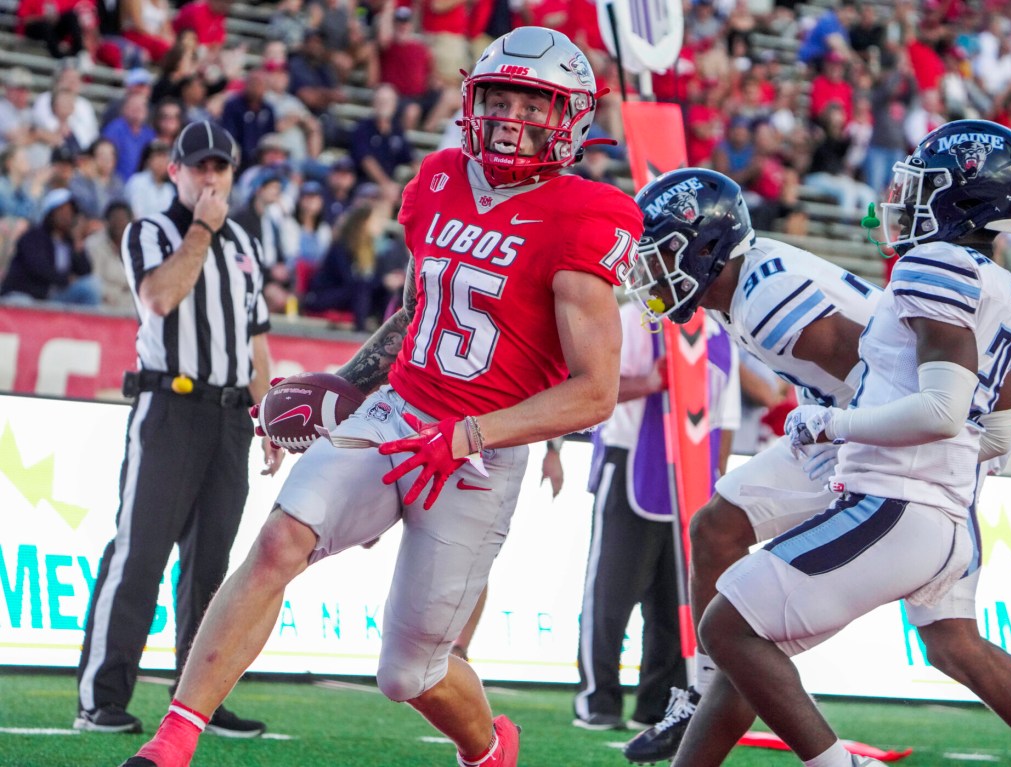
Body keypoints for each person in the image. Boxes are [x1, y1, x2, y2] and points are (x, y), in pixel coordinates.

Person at [117, 26, 642, 767]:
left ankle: (491, 748)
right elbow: (414, 313)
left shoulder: (586, 213)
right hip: (398, 410)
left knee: (409, 672)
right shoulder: (437, 178)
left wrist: (466, 436)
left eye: (535, 101)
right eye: (499, 95)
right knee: (279, 539)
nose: (511, 116)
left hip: (481, 453)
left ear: (574, 118)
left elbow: (594, 392)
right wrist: (348, 382)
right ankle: (172, 742)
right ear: (471, 97)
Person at [622, 122, 1011, 767]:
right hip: (919, 455)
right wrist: (991, 432)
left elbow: (881, 379)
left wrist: (838, 434)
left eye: (662, 254)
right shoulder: (748, 287)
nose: (651, 274)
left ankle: (723, 693)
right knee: (949, 642)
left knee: (737, 613)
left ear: (702, 247)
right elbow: (982, 371)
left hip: (894, 457)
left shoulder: (772, 293)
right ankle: (708, 690)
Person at [75, 120, 282, 737]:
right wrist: (202, 230)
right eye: (200, 167)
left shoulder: (246, 243)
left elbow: (256, 339)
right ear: (175, 172)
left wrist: (268, 415)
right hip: (170, 408)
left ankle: (201, 700)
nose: (211, 177)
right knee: (140, 552)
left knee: (212, 567)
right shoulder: (152, 230)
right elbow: (159, 298)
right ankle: (101, 697)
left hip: (228, 416)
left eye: (221, 167)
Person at [573, 303, 739, 732]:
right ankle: (598, 700)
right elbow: (594, 387)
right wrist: (653, 380)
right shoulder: (631, 318)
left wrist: (716, 480)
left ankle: (658, 705)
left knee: (674, 598)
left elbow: (725, 417)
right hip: (630, 461)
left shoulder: (722, 332)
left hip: (695, 475)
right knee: (611, 593)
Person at [0, 187, 98, 305]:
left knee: (90, 286)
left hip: (52, 296)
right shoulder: (33, 236)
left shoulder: (69, 242)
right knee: (23, 304)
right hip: (26, 294)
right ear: (50, 213)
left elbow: (85, 271)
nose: (67, 216)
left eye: (70, 212)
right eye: (62, 211)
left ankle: (85, 324)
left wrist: (78, 245)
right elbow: (38, 268)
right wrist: (66, 279)